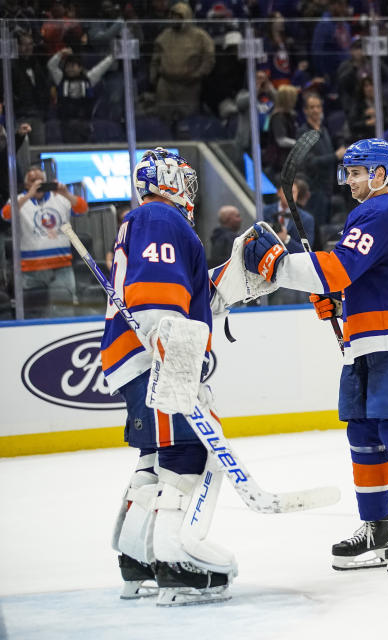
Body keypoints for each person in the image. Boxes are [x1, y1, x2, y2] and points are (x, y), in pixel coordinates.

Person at [242, 139, 388, 574]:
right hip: (371, 334)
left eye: (357, 172)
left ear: (380, 173)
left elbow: (337, 269)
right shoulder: (375, 211)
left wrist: (279, 265)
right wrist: (340, 302)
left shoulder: (384, 209)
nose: (350, 179)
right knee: (363, 430)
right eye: (348, 172)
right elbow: (359, 275)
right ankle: (376, 528)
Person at [105, 148, 236, 605]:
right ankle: (176, 562)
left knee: (153, 458)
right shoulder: (161, 217)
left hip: (133, 357)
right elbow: (157, 298)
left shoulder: (143, 221)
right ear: (165, 179)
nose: (188, 185)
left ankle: (136, 558)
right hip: (158, 354)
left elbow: (187, 291)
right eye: (182, 176)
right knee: (188, 451)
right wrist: (175, 363)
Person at [2, 166, 89, 314]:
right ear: (26, 184)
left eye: (40, 180)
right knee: (33, 313)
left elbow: (83, 209)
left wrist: (66, 193)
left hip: (61, 267)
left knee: (65, 310)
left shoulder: (60, 198)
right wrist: (29, 195)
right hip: (30, 270)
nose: (38, 183)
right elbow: (6, 215)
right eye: (32, 180)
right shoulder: (19, 201)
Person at [150, 3, 215, 120]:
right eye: (173, 16)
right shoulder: (165, 35)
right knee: (163, 118)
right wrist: (154, 77)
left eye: (178, 16)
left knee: (188, 120)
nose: (174, 19)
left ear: (186, 17)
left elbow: (209, 58)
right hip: (166, 84)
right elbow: (155, 58)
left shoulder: (200, 36)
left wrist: (198, 74)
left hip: (189, 85)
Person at [46, 47, 115, 143]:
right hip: (66, 122)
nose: (70, 69)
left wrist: (114, 55)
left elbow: (102, 67)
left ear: (80, 67)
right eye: (68, 67)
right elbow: (51, 65)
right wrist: (60, 54)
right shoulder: (60, 79)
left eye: (73, 66)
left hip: (84, 121)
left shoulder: (88, 79)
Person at [297, 92, 346, 227]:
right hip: (314, 189)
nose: (316, 110)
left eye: (318, 107)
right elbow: (309, 162)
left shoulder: (324, 130)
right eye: (312, 107)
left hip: (328, 188)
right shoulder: (303, 132)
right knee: (317, 228)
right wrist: (335, 156)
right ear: (305, 111)